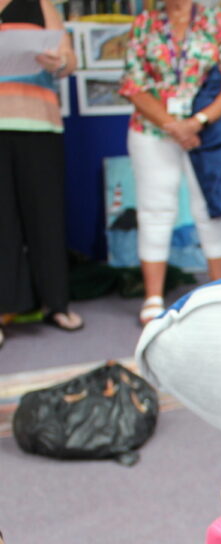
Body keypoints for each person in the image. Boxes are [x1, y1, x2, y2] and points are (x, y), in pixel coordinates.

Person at [119, 0, 221, 326]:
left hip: (206, 131)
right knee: (155, 209)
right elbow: (134, 85)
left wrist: (197, 121)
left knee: (211, 209)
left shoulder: (216, 21)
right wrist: (171, 125)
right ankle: (153, 297)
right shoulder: (144, 23)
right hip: (152, 129)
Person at [0, 0, 83, 349]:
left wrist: (59, 61)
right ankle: (4, 308)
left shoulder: (41, 3)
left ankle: (56, 303)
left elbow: (69, 60)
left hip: (40, 122)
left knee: (46, 216)